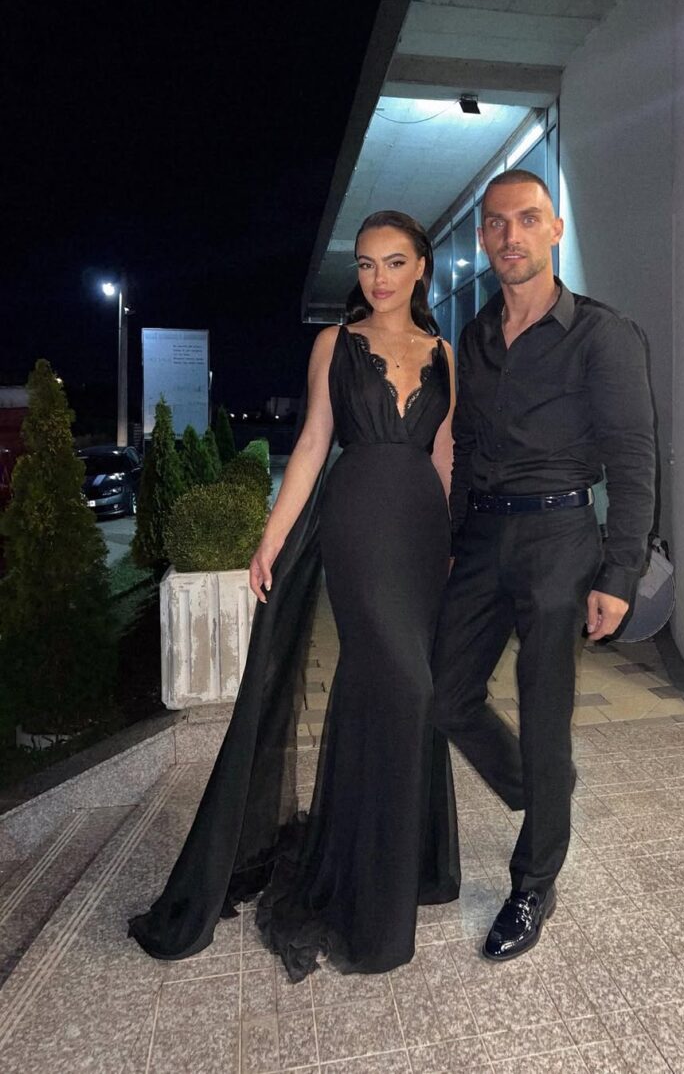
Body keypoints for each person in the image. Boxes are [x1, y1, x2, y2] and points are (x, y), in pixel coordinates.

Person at [128, 210, 460, 982]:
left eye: (393, 261)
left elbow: (447, 453)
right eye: (366, 263)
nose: (377, 277)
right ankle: (368, 895)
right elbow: (312, 442)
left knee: (399, 688)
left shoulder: (444, 353)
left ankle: (385, 855)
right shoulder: (335, 344)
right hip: (356, 521)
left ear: (421, 267)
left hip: (420, 532)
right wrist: (271, 537)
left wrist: (453, 543)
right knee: (403, 684)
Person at [431, 169, 656, 961]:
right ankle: (539, 788)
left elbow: (633, 458)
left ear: (554, 230)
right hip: (484, 535)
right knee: (444, 692)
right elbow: (466, 448)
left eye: (527, 219)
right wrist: (455, 537)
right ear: (484, 238)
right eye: (497, 223)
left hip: (561, 536)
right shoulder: (476, 337)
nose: (511, 235)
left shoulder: (603, 334)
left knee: (544, 710)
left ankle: (534, 881)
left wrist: (619, 573)